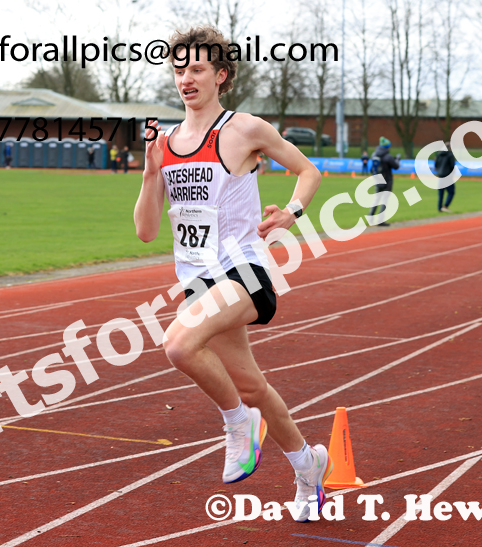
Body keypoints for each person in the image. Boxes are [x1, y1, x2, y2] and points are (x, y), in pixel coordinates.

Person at [134, 25, 329, 523]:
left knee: (177, 344)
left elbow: (309, 171)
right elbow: (145, 231)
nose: (186, 78)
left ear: (221, 75)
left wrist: (291, 212)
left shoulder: (244, 129)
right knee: (252, 386)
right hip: (199, 280)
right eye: (179, 69)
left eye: (197, 68)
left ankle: (238, 426)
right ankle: (308, 464)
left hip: (245, 272)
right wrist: (151, 173)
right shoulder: (168, 141)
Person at [368, 136, 401, 226]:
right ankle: (380, 220)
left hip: (378, 180)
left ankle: (370, 217)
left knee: (376, 199)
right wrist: (397, 160)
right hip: (387, 180)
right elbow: (396, 166)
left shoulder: (374, 154)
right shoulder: (388, 156)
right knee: (384, 200)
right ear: (387, 147)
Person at [434, 142, 457, 213]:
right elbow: (452, 166)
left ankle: (439, 208)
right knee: (451, 192)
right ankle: (445, 206)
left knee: (441, 193)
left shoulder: (439, 154)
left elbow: (436, 165)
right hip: (447, 176)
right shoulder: (450, 155)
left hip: (440, 175)